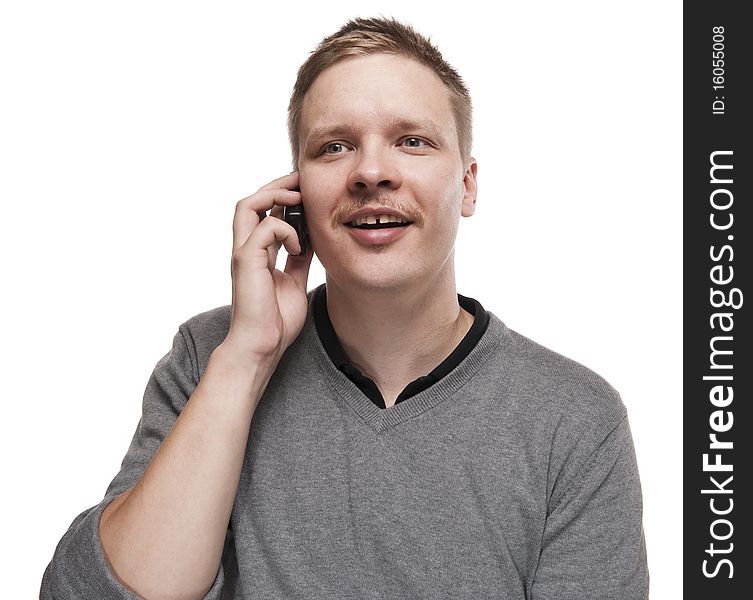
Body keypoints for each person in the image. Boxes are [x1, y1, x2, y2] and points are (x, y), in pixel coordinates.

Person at [41, 16, 648, 600]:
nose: (372, 172)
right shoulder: (212, 358)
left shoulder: (574, 417)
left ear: (466, 184)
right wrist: (246, 359)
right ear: (294, 192)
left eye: (411, 141)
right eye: (335, 147)